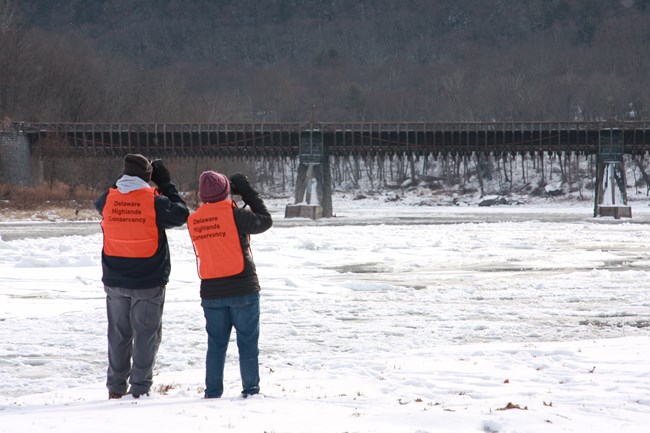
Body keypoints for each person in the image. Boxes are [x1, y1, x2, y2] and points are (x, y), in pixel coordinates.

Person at [94, 154, 189, 399]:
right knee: (146, 336)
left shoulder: (109, 198)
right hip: (148, 280)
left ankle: (115, 388)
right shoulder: (154, 202)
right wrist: (165, 184)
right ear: (148, 178)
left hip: (115, 280)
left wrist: (123, 180)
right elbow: (181, 214)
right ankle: (139, 389)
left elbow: (101, 202)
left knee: (118, 335)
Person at [187, 171, 272, 398]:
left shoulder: (194, 220)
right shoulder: (235, 215)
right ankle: (251, 390)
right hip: (243, 288)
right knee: (247, 344)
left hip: (211, 291)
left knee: (215, 345)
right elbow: (265, 221)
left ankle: (213, 392)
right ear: (226, 191)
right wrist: (247, 192)